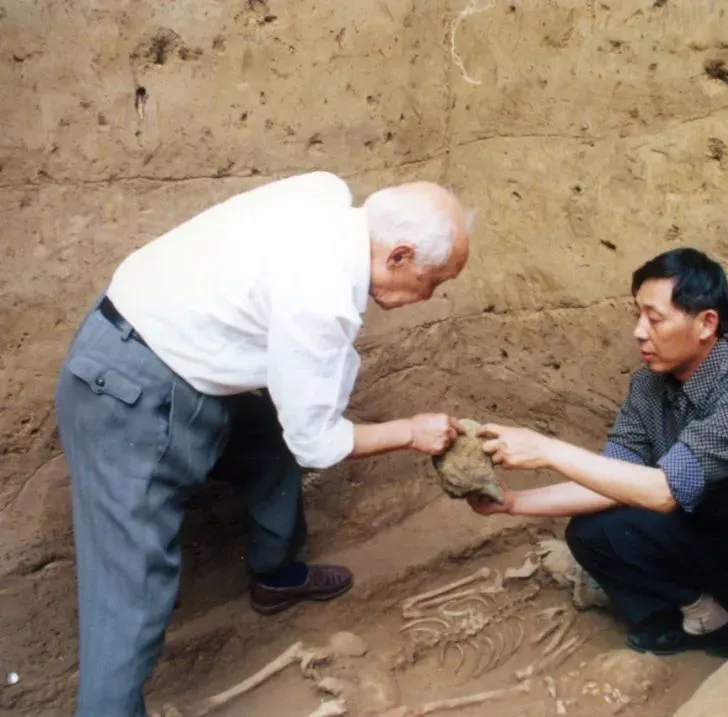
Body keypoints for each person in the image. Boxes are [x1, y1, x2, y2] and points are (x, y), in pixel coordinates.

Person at [54, 171, 472, 717]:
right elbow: (316, 443)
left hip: (168, 358)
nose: (429, 296)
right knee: (128, 599)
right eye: (432, 281)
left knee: (267, 443)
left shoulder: (324, 193)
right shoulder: (322, 298)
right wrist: (412, 432)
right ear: (398, 255)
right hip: (131, 397)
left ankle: (275, 575)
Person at [467, 248, 728, 656]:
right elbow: (612, 478)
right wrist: (512, 503)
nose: (639, 332)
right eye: (637, 315)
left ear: (707, 323)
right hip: (716, 537)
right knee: (594, 531)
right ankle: (703, 619)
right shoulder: (647, 386)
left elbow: (663, 491)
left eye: (654, 319)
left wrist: (547, 450)